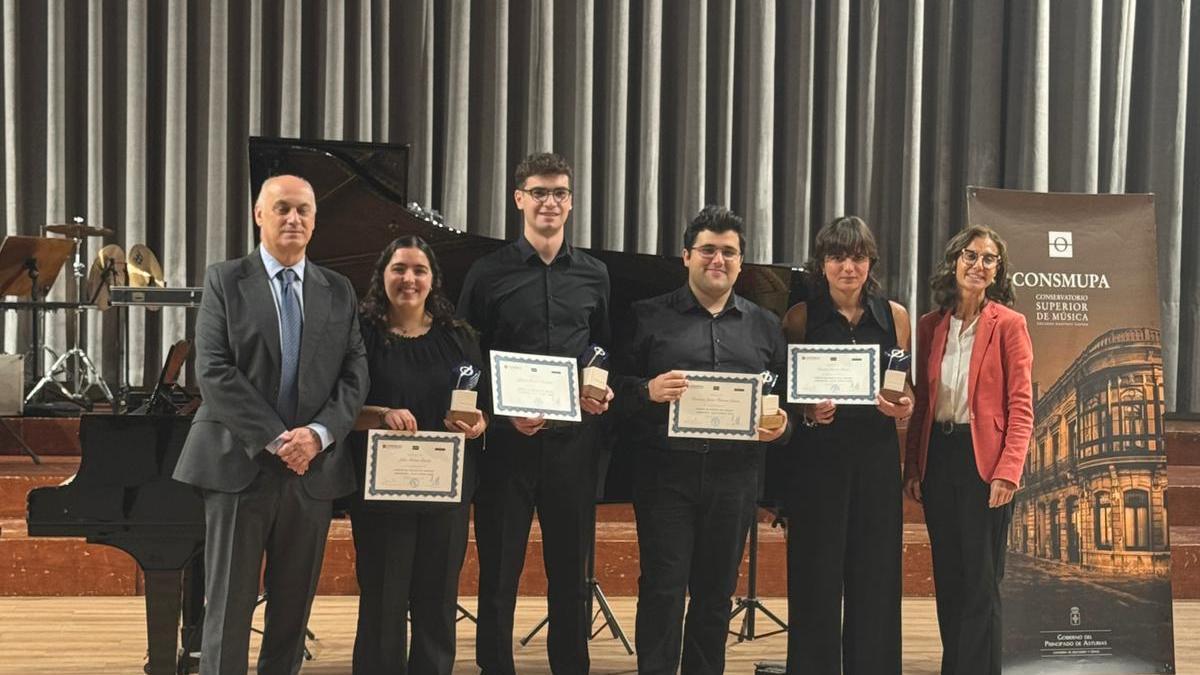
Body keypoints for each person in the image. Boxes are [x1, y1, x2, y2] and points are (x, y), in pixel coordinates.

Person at [174, 175, 369, 674]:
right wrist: (279, 439)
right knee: (228, 604)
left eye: (303, 210)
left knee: (292, 608)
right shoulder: (225, 279)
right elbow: (212, 370)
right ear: (259, 215)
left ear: (315, 220)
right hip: (238, 462)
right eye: (281, 208)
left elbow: (355, 373)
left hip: (314, 471)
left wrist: (317, 436)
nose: (293, 219)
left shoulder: (339, 289)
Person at [457, 152, 613, 675]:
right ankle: (494, 667)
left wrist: (599, 385)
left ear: (571, 202)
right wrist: (503, 414)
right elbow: (468, 357)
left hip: (573, 446)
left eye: (560, 193)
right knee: (499, 572)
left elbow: (603, 348)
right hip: (506, 446)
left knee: (570, 574)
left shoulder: (595, 274)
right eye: (540, 192)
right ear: (519, 198)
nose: (551, 202)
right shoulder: (487, 273)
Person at [615, 205, 789, 675]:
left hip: (735, 479)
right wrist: (646, 390)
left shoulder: (765, 326)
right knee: (663, 589)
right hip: (664, 476)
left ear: (741, 261)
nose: (719, 259)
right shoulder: (646, 316)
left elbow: (784, 405)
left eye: (729, 252)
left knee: (716, 592)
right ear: (687, 256)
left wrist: (780, 426)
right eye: (708, 249)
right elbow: (613, 391)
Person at [347, 236, 488, 674]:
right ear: (382, 276)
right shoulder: (359, 335)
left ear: (433, 280)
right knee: (382, 602)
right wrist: (382, 413)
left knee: (437, 599)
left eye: (419, 270)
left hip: (445, 491)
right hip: (380, 495)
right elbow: (340, 409)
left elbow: (480, 406)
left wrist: (480, 423)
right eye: (399, 269)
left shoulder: (459, 338)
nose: (409, 279)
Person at [782, 215, 913, 674]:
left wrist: (904, 408)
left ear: (870, 262)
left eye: (857, 257)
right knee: (814, 578)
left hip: (876, 462)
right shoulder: (799, 317)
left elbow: (906, 388)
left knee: (876, 577)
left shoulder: (895, 316)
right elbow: (784, 395)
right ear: (822, 264)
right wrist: (806, 411)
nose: (848, 267)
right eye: (837, 257)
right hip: (817, 464)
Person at [903, 224, 1034, 674]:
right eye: (971, 256)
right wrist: (912, 467)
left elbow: (1021, 405)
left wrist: (1008, 471)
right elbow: (922, 402)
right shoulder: (929, 325)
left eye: (989, 259)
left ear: (998, 271)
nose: (979, 265)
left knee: (981, 582)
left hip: (986, 464)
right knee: (950, 578)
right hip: (939, 459)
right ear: (955, 261)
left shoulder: (1009, 325)